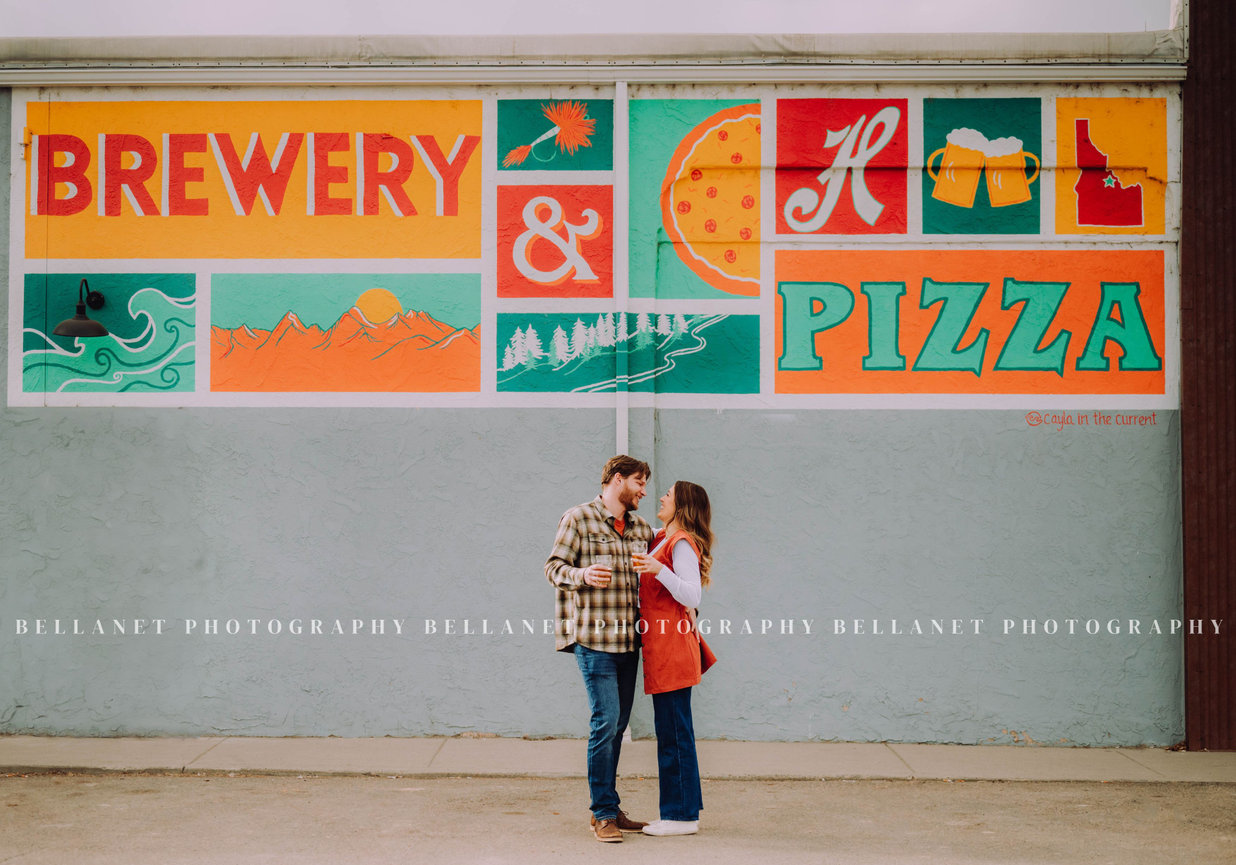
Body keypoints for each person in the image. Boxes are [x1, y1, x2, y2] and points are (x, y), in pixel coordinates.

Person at [545, 455, 656, 843]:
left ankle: (610, 806)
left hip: (630, 642)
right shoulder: (578, 518)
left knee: (617, 727)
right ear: (617, 479)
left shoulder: (642, 528)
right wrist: (583, 574)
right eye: (640, 482)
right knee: (606, 722)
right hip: (594, 640)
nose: (644, 490)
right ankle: (603, 814)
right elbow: (554, 567)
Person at [631, 480, 716, 837]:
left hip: (673, 650)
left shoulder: (681, 543)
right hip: (665, 648)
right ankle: (683, 813)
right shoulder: (664, 537)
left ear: (681, 505)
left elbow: (691, 593)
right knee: (673, 732)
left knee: (675, 735)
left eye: (668, 494)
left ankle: (680, 818)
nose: (661, 497)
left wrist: (657, 570)